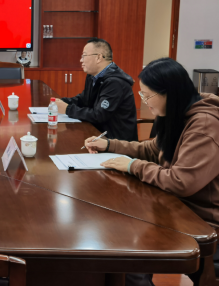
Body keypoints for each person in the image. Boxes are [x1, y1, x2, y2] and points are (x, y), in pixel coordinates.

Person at [85, 57, 219, 286]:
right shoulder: (176, 114)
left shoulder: (204, 125)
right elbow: (152, 149)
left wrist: (132, 166)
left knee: (128, 251)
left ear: (169, 93)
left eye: (147, 95)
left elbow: (181, 182)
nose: (144, 101)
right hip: (172, 206)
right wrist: (109, 145)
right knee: (119, 231)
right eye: (142, 94)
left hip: (200, 219)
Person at [56, 38, 138, 141]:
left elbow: (99, 115)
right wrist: (62, 102)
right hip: (97, 135)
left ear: (98, 58)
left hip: (116, 141)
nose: (81, 60)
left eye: (84, 56)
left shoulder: (115, 83)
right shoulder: (92, 76)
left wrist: (67, 109)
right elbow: (84, 99)